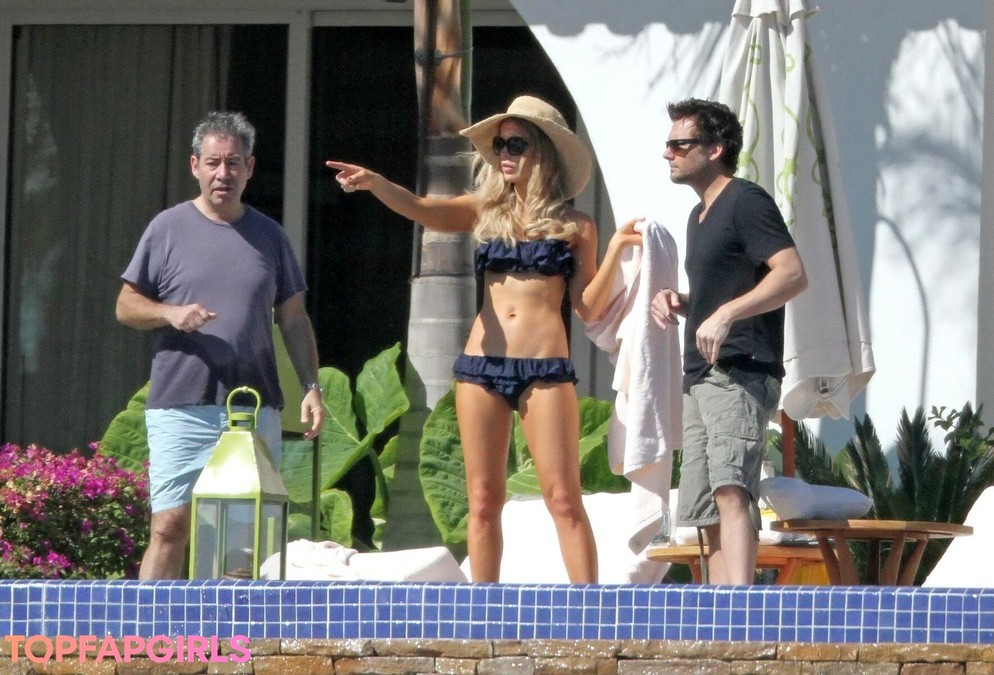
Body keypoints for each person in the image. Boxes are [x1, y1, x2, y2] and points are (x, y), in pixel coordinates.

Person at [327, 95, 640, 583]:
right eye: (499, 145)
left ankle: (591, 611)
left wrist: (617, 248)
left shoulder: (577, 226)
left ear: (543, 151)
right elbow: (424, 209)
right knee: (482, 499)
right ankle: (483, 612)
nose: (504, 154)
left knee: (563, 498)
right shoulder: (485, 210)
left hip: (544, 368)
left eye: (516, 144)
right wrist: (375, 183)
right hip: (481, 367)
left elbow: (588, 307)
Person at [116, 111, 325, 580]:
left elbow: (293, 318)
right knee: (170, 526)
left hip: (253, 408)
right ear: (195, 166)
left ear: (250, 168)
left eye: (233, 163)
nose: (223, 174)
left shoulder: (270, 236)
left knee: (244, 539)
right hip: (181, 405)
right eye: (213, 163)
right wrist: (170, 313)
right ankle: (150, 627)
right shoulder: (167, 228)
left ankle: (233, 629)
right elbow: (126, 306)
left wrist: (311, 386)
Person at [650, 98, 807, 585]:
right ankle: (721, 614)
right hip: (701, 373)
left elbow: (792, 273)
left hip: (740, 369)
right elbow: (728, 289)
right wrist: (685, 301)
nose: (668, 153)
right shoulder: (699, 216)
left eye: (680, 144)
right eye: (668, 144)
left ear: (715, 148)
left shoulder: (746, 201)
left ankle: (742, 611)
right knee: (704, 508)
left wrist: (726, 313)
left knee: (731, 489)